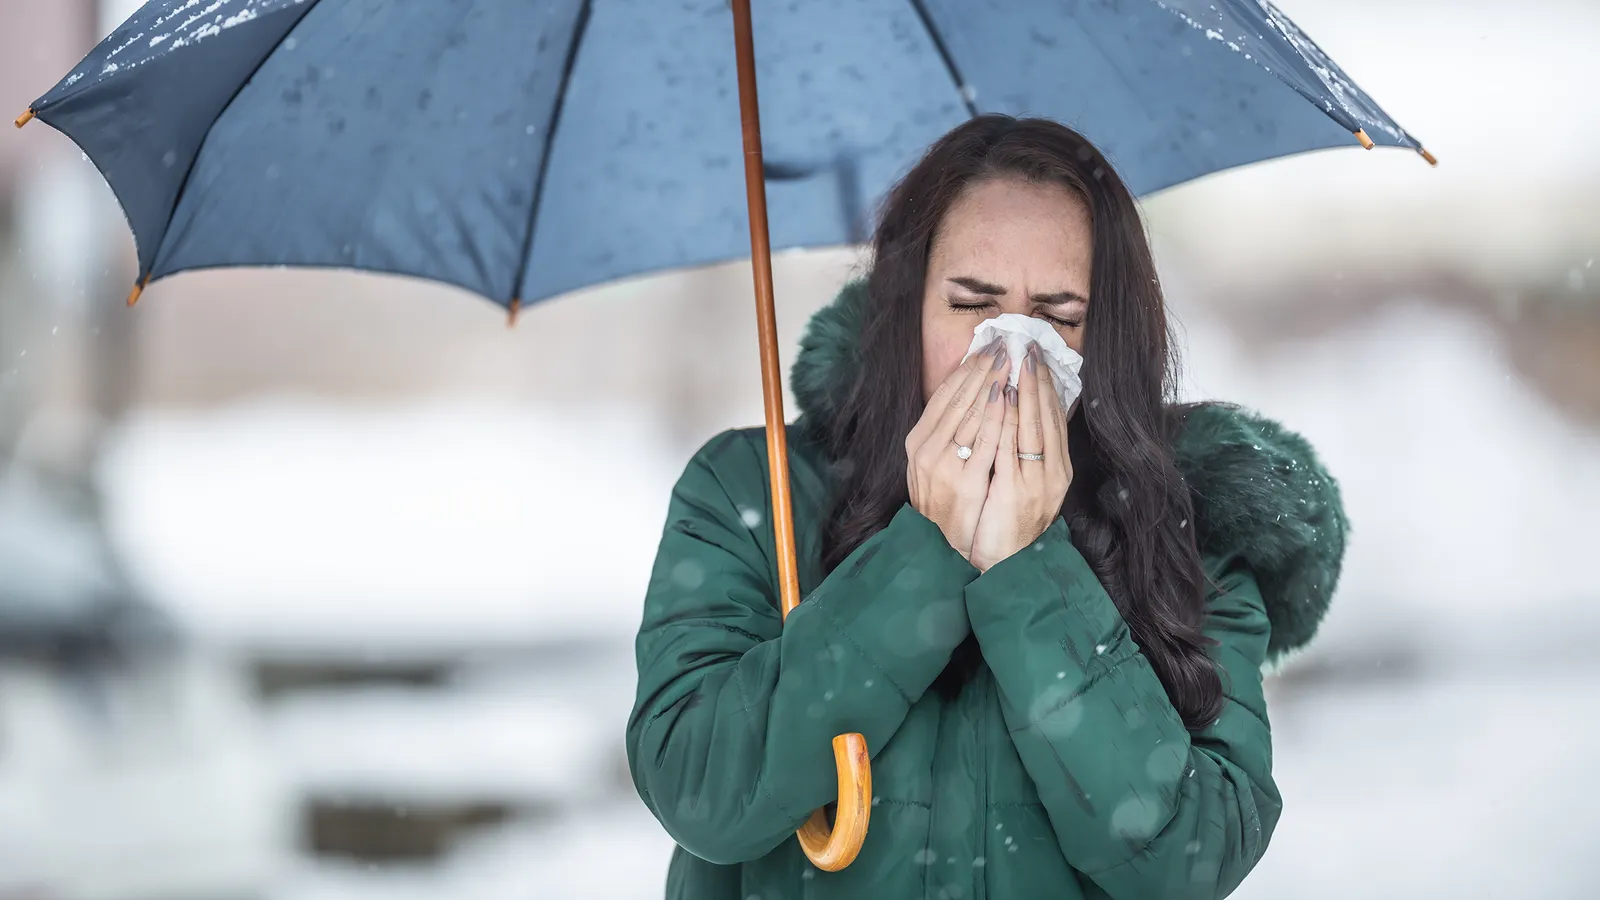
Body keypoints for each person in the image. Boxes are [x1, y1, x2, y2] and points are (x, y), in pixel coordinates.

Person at [626, 115, 1347, 900]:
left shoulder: (1195, 524)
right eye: (973, 302)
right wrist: (928, 550)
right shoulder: (750, 493)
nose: (1010, 351)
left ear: (1108, 337)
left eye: (1060, 318)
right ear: (906, 310)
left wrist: (1028, 566)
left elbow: (1191, 859)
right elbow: (698, 786)